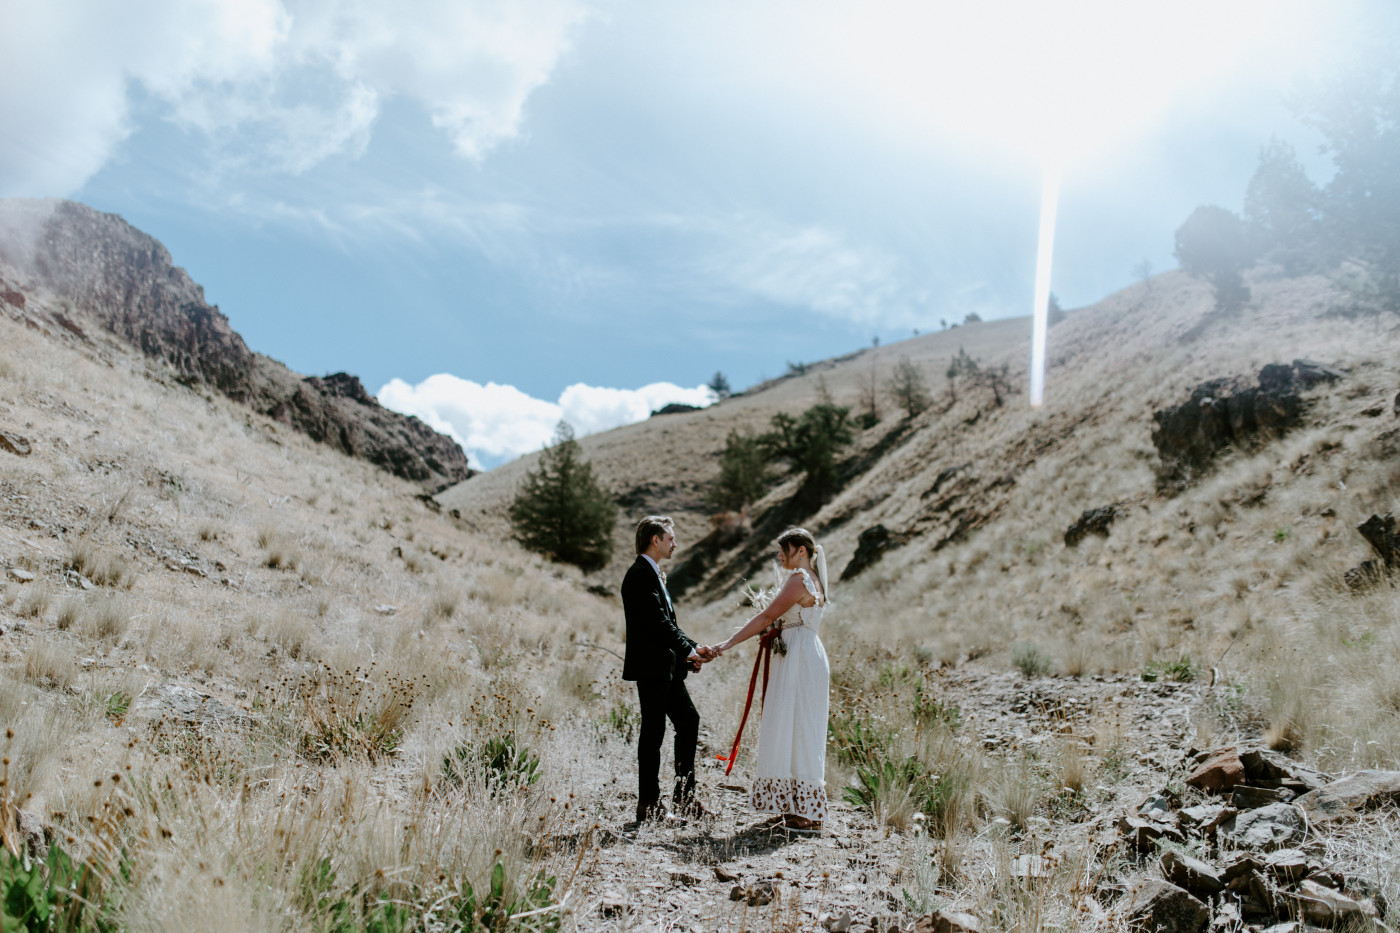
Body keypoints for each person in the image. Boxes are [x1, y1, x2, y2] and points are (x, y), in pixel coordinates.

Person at [705, 527, 830, 831]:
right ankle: (798, 806)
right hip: (804, 654)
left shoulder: (799, 579)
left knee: (796, 725)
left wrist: (726, 644)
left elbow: (765, 617)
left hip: (798, 659)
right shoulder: (814, 580)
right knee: (798, 726)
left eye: (782, 549)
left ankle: (806, 813)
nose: (778, 556)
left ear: (800, 550)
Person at [621, 515, 715, 822]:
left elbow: (669, 624)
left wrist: (692, 649)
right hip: (652, 668)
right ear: (655, 540)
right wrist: (689, 650)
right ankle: (648, 804)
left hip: (668, 667)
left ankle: (684, 797)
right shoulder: (638, 575)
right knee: (654, 733)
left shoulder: (653, 574)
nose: (675, 543)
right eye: (670, 538)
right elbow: (658, 624)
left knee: (688, 721)